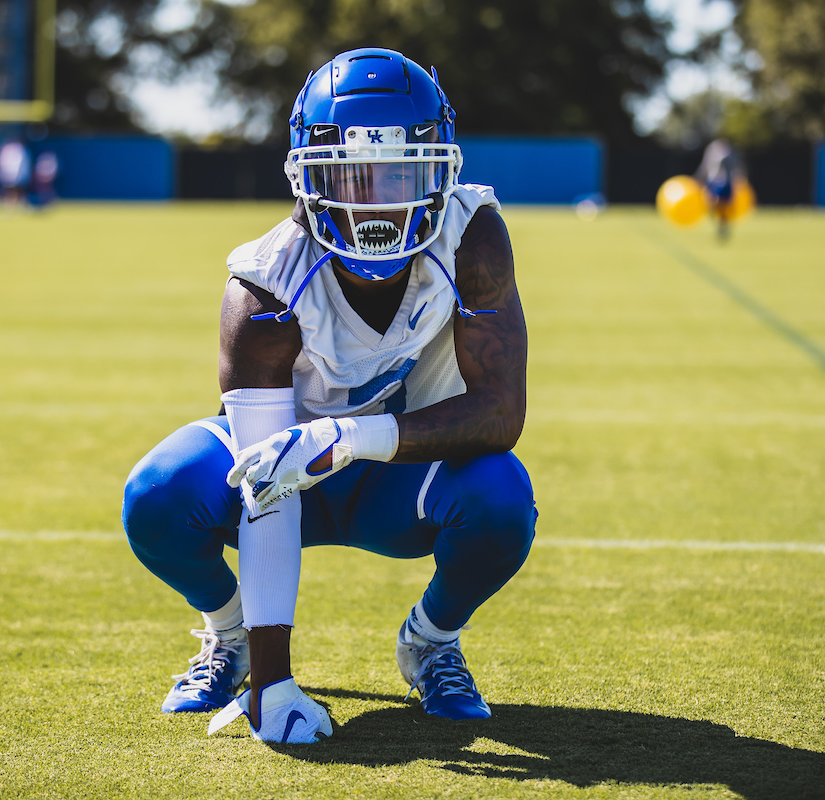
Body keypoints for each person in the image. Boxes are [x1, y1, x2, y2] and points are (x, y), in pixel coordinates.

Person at [122, 47, 536, 745]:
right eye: (349, 174)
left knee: (501, 497)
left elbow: (500, 413)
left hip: (402, 480)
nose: (376, 198)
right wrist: (273, 685)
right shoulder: (264, 286)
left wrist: (348, 437)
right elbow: (266, 487)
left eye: (401, 173)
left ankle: (431, 641)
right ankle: (233, 639)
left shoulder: (472, 238)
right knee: (158, 493)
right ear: (303, 176)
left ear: (441, 169)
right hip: (289, 476)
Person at [693, 138, 745, 241]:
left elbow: (737, 168)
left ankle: (723, 227)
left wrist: (739, 179)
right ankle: (721, 225)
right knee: (713, 205)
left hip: (724, 183)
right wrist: (698, 178)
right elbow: (705, 166)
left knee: (722, 207)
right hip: (714, 182)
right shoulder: (712, 150)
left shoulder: (729, 154)